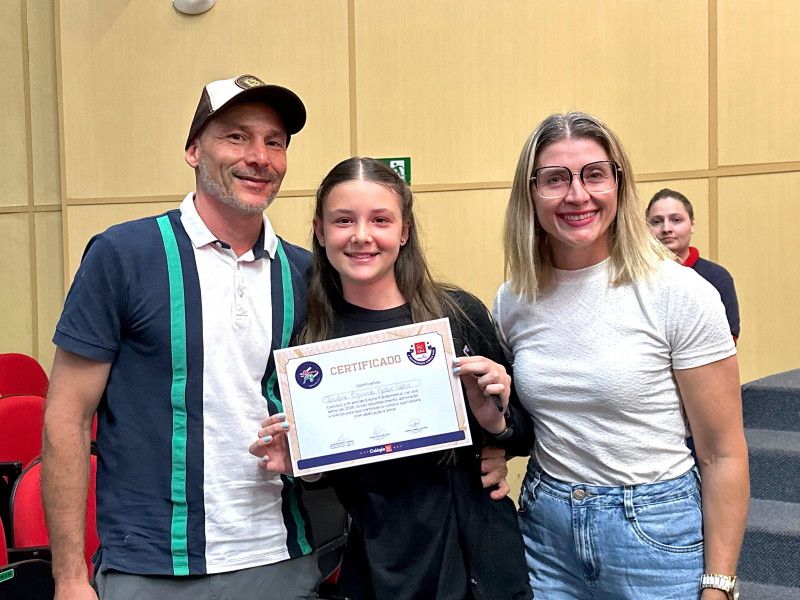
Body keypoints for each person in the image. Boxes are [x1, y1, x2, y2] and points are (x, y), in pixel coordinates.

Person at [42, 75, 323, 600]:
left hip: (280, 558)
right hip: (150, 566)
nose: (259, 157)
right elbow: (67, 418)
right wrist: (70, 577)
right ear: (194, 150)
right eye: (236, 137)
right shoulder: (124, 254)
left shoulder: (305, 273)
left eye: (275, 142)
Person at [249, 157, 535, 600]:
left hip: (478, 562)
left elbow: (523, 434)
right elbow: (331, 474)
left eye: (380, 220)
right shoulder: (309, 341)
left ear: (404, 231)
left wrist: (493, 419)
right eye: (344, 220)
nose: (362, 235)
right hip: (379, 564)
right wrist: (303, 465)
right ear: (320, 232)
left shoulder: (458, 315)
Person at [495, 112, 749, 599]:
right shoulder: (513, 299)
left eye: (594, 174)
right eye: (555, 179)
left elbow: (723, 453)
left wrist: (719, 586)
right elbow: (522, 416)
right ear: (530, 193)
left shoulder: (679, 292)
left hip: (654, 533)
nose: (577, 195)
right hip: (546, 532)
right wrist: (495, 449)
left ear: (619, 183)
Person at [647, 188, 740, 340]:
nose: (666, 229)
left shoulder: (717, 277)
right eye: (656, 222)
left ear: (692, 224)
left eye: (676, 220)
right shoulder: (636, 277)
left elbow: (729, 338)